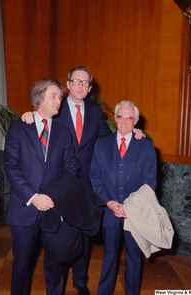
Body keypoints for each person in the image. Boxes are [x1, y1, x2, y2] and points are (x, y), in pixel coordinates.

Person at [21, 66, 144, 295]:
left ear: (89, 88)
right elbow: (41, 120)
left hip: (87, 185)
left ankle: (80, 281)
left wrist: (132, 133)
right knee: (56, 236)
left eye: (85, 83)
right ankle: (55, 288)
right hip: (58, 185)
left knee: (84, 234)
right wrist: (29, 116)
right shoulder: (56, 106)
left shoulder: (96, 112)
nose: (81, 86)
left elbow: (108, 141)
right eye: (76, 81)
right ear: (68, 84)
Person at [4, 78, 79, 295]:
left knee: (56, 264)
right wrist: (33, 197)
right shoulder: (18, 128)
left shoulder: (64, 132)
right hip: (24, 208)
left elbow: (71, 167)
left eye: (60, 97)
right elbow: (11, 166)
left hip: (55, 208)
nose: (59, 101)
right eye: (54, 96)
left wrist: (57, 195)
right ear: (39, 98)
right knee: (21, 266)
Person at [90, 100, 157, 295]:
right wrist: (109, 202)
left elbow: (149, 183)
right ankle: (104, 291)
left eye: (130, 118)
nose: (125, 121)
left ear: (136, 121)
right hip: (110, 211)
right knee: (109, 254)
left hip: (134, 213)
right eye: (121, 117)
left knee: (134, 256)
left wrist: (131, 207)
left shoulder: (145, 145)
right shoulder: (102, 144)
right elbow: (94, 176)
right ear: (115, 118)